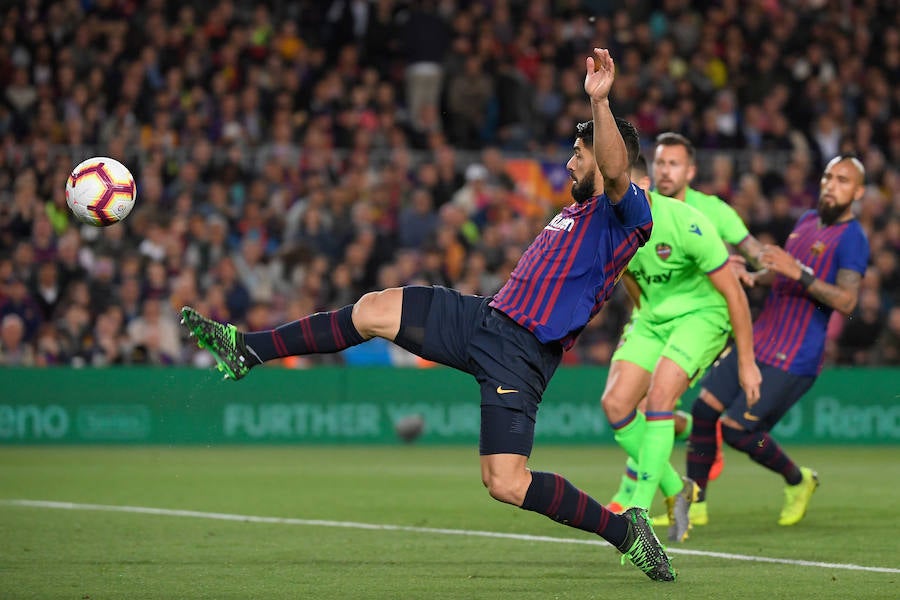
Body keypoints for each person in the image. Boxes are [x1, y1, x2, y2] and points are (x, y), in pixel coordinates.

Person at [182, 49, 675, 582]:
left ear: (605, 156)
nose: (569, 163)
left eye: (578, 154)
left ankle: (626, 532)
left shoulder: (626, 212)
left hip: (522, 354)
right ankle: (248, 348)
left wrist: (599, 101)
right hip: (486, 318)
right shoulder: (576, 209)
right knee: (373, 309)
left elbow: (617, 169)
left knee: (506, 483)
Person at [683, 155, 870, 527]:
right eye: (829, 177)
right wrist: (754, 276)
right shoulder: (806, 221)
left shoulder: (854, 239)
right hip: (760, 338)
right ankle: (695, 505)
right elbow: (780, 273)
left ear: (858, 192)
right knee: (704, 411)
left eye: (843, 180)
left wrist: (797, 272)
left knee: (739, 431)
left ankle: (798, 480)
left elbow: (847, 301)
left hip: (796, 355)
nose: (832, 185)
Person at [600, 155, 761, 543]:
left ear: (644, 182)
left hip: (703, 315)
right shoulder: (614, 227)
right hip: (654, 318)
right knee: (616, 404)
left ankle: (637, 511)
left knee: (658, 398)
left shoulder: (687, 222)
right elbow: (630, 280)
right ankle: (677, 489)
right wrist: (643, 318)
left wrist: (746, 361)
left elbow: (733, 293)